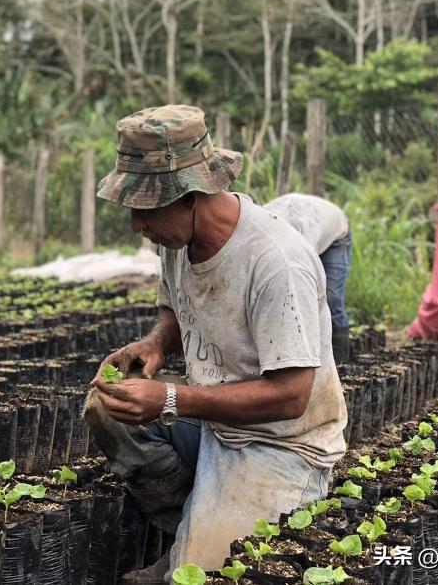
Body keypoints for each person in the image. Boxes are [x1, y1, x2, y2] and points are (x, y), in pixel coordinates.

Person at [85, 105, 347, 584]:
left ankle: (207, 532)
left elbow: (292, 397)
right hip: (214, 424)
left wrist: (168, 398)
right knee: (105, 406)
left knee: (193, 579)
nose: (136, 226)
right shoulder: (177, 240)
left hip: (279, 445)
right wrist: (156, 345)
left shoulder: (276, 262)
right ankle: (189, 518)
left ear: (191, 195)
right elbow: (175, 306)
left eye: (144, 208)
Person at [263, 193, 353, 363]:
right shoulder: (262, 225)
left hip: (335, 235)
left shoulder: (303, 241)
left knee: (331, 298)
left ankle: (340, 361)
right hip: (306, 213)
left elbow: (307, 289)